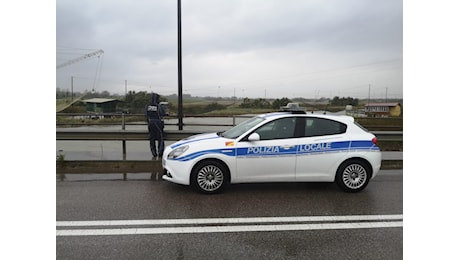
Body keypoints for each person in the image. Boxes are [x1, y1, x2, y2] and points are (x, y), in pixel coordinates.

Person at [145, 92, 166, 159]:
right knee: (160, 138)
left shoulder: (147, 105)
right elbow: (162, 113)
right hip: (158, 123)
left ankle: (154, 154)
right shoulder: (158, 106)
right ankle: (160, 154)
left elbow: (146, 114)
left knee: (152, 138)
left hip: (150, 123)